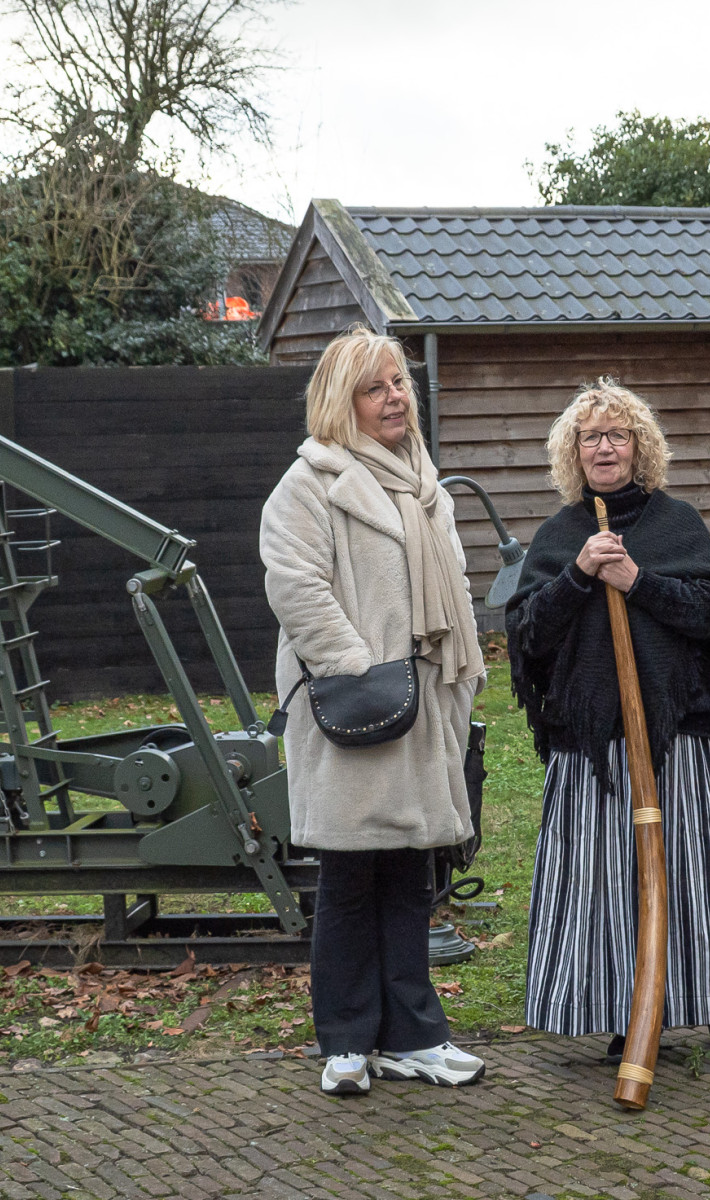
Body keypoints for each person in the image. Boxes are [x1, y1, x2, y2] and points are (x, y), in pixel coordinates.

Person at [505, 379, 710, 1062]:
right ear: (573, 452)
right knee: (611, 882)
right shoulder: (559, 536)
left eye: (617, 435)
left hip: (677, 736)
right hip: (595, 746)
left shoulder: (676, 524)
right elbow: (529, 635)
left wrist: (638, 582)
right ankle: (631, 1010)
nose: (604, 447)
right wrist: (577, 576)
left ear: (639, 447)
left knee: (694, 873)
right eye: (590, 437)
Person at [260, 325, 488, 1096]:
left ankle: (413, 1038)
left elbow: (454, 586)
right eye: (375, 387)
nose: (395, 398)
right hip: (357, 710)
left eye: (399, 383)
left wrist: (458, 678)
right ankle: (347, 1041)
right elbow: (296, 588)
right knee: (351, 875)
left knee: (412, 874)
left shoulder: (424, 483)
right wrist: (359, 672)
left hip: (425, 709)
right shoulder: (309, 484)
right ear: (341, 401)